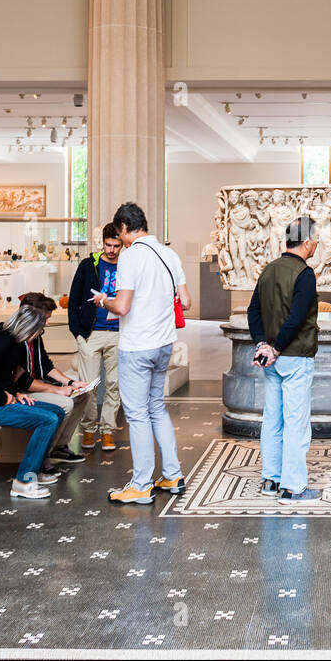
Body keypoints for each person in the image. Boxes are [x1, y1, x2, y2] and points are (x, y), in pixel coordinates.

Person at [95, 202, 192, 505]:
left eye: (119, 233)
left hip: (138, 346)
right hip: (164, 344)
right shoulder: (169, 253)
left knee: (137, 415)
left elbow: (122, 306)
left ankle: (141, 484)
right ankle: (173, 474)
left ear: (123, 228)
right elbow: (186, 301)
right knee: (156, 408)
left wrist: (102, 301)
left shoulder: (131, 256)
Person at [247, 215, 322, 504]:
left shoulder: (269, 270)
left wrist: (262, 345)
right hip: (295, 356)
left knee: (272, 420)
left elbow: (254, 311)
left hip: (273, 359)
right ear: (305, 242)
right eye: (315, 240)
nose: (316, 245)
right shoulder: (304, 274)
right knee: (296, 423)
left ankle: (271, 479)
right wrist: (276, 347)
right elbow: (297, 317)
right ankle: (292, 488)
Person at [0, 303, 76, 499]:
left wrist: (16, 393)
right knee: (48, 420)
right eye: (39, 329)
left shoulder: (16, 343)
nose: (39, 334)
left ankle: (36, 470)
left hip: (4, 400)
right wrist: (4, 397)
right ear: (28, 327)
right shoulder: (1, 341)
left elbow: (9, 377)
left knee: (57, 412)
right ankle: (24, 481)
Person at [67, 223, 125, 452]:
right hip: (91, 333)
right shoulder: (88, 265)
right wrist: (77, 332)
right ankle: (88, 430)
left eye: (116, 245)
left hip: (119, 332)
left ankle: (108, 431)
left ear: (122, 244)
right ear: (102, 243)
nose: (111, 250)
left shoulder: (127, 266)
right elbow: (74, 299)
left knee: (114, 384)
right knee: (88, 385)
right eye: (108, 245)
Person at [17, 292, 88, 466]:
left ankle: (60, 447)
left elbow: (46, 365)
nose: (48, 323)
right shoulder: (16, 338)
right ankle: (44, 454)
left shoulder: (36, 336)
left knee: (81, 395)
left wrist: (70, 383)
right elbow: (22, 381)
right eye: (45, 318)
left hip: (33, 385)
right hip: (20, 392)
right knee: (66, 402)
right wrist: (56, 390)